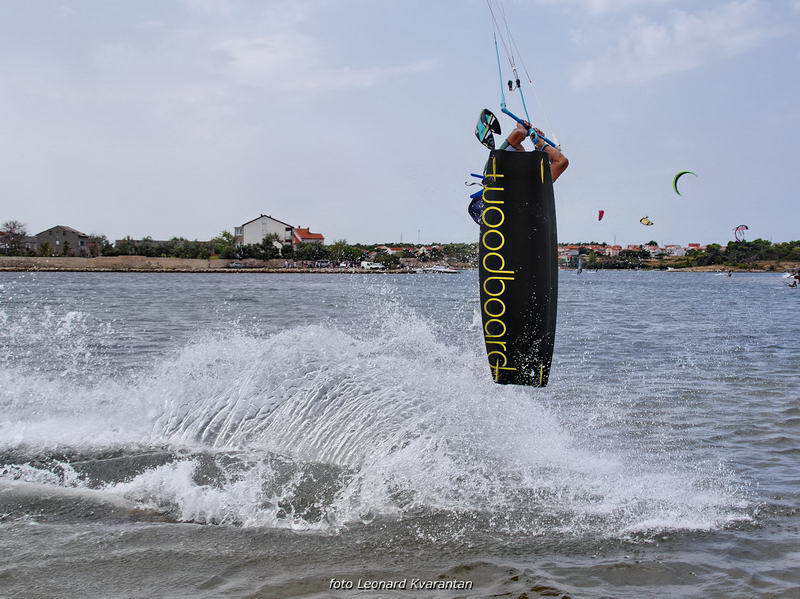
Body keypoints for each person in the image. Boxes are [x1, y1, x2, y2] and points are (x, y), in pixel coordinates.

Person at [468, 121, 568, 224]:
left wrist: (540, 143)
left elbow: (561, 162)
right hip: (486, 204)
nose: (521, 150)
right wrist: (523, 128)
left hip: (517, 207)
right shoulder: (498, 163)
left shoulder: (532, 182)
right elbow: (518, 134)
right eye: (517, 148)